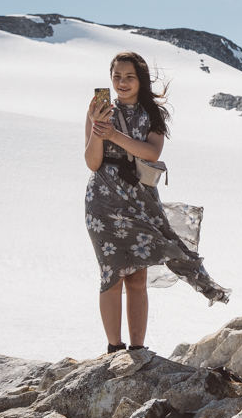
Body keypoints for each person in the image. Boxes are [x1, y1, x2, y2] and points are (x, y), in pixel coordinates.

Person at [84, 51, 229, 354]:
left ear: (141, 80)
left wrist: (113, 134)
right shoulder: (98, 110)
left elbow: (151, 154)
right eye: (117, 77)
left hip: (139, 199)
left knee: (137, 275)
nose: (122, 83)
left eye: (129, 77)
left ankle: (137, 349)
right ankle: (114, 347)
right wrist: (98, 129)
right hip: (103, 200)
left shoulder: (152, 115)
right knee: (111, 272)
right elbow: (92, 161)